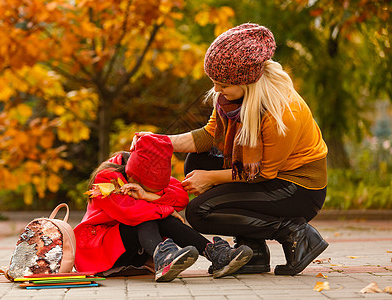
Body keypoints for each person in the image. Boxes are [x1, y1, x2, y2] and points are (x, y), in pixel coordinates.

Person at [133, 23, 329, 276]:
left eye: (223, 83)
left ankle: (295, 233)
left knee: (201, 211)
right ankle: (253, 250)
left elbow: (265, 173)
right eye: (214, 82)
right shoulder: (230, 100)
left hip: (297, 189)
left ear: (247, 80)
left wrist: (211, 178)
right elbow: (207, 136)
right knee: (198, 160)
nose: (216, 90)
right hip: (265, 179)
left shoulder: (282, 111)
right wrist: (158, 141)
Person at [74, 134, 253, 282]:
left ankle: (215, 255)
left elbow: (182, 197)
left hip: (137, 248)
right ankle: (164, 259)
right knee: (149, 216)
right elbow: (131, 214)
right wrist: (167, 208)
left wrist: (150, 196)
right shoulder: (107, 178)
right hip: (102, 251)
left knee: (155, 215)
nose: (156, 192)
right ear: (132, 177)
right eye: (151, 190)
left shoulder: (150, 169)